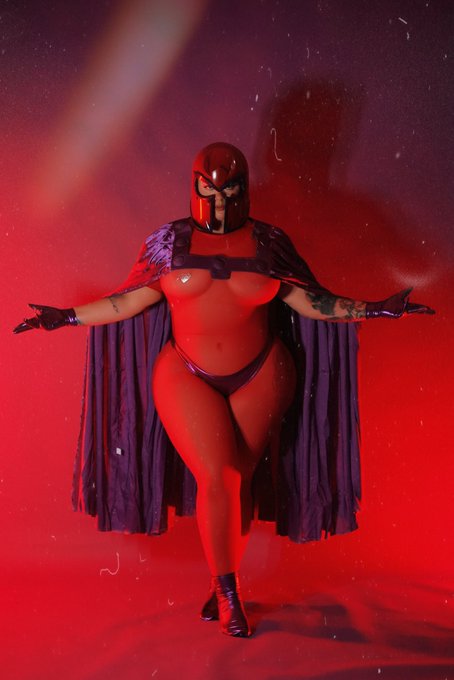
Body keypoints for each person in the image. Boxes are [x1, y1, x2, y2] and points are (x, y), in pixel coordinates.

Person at [14, 142, 434, 638]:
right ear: (195, 187)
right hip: (186, 372)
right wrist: (64, 317)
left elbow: (310, 302)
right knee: (220, 476)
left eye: (230, 192)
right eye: (209, 193)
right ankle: (229, 591)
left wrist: (376, 308)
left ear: (244, 189)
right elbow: (129, 301)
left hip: (263, 372)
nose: (219, 204)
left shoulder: (269, 243)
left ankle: (221, 582)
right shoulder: (170, 243)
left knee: (240, 480)